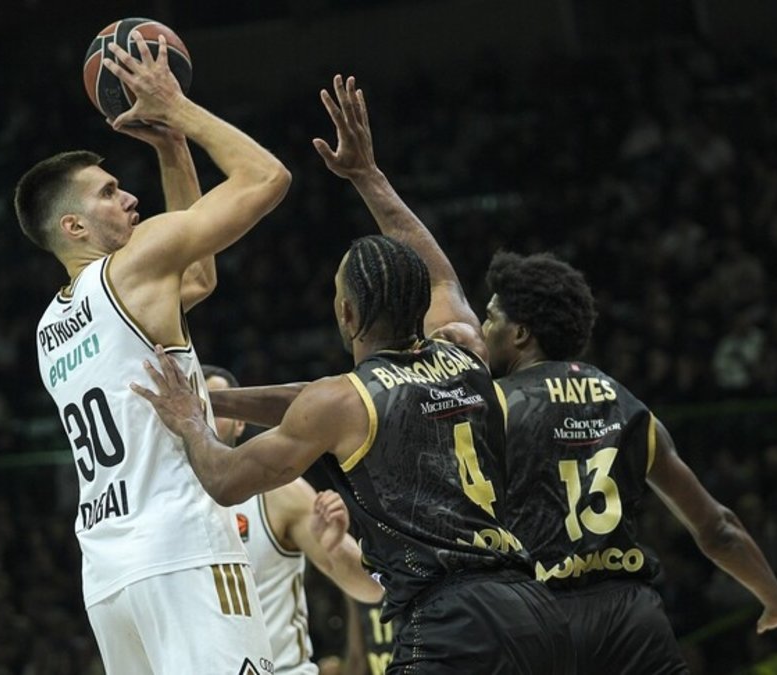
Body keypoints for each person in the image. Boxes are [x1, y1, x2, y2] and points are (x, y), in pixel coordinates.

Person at [131, 74, 574, 674]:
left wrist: (190, 420)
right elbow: (440, 278)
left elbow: (227, 480)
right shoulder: (464, 351)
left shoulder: (342, 401)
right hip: (533, 607)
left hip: (448, 619)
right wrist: (368, 175)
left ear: (345, 313)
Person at [14, 31, 290, 674]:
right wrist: (177, 110)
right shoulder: (133, 267)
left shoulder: (50, 324)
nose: (129, 197)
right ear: (74, 227)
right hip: (185, 550)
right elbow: (266, 178)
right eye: (109, 192)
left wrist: (171, 150)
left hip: (110, 572)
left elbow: (196, 280)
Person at [481, 250, 777, 673]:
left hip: (536, 619)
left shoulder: (491, 407)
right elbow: (718, 529)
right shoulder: (630, 409)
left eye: (491, 318)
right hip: (631, 624)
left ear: (520, 333)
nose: (482, 330)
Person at [203, 365, 384, 675]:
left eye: (212, 404)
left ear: (239, 423)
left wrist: (336, 545)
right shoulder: (158, 504)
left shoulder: (278, 493)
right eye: (197, 403)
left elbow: (371, 589)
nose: (204, 413)